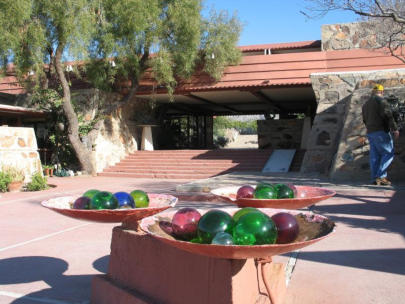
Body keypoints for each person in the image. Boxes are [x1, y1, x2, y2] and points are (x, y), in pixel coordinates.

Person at [362, 84, 400, 185]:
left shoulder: (365, 104)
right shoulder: (382, 101)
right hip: (381, 131)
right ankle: (381, 176)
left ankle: (374, 179)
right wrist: (395, 129)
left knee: (375, 156)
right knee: (388, 153)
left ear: (373, 92)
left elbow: (364, 119)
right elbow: (388, 116)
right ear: (382, 92)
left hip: (371, 132)